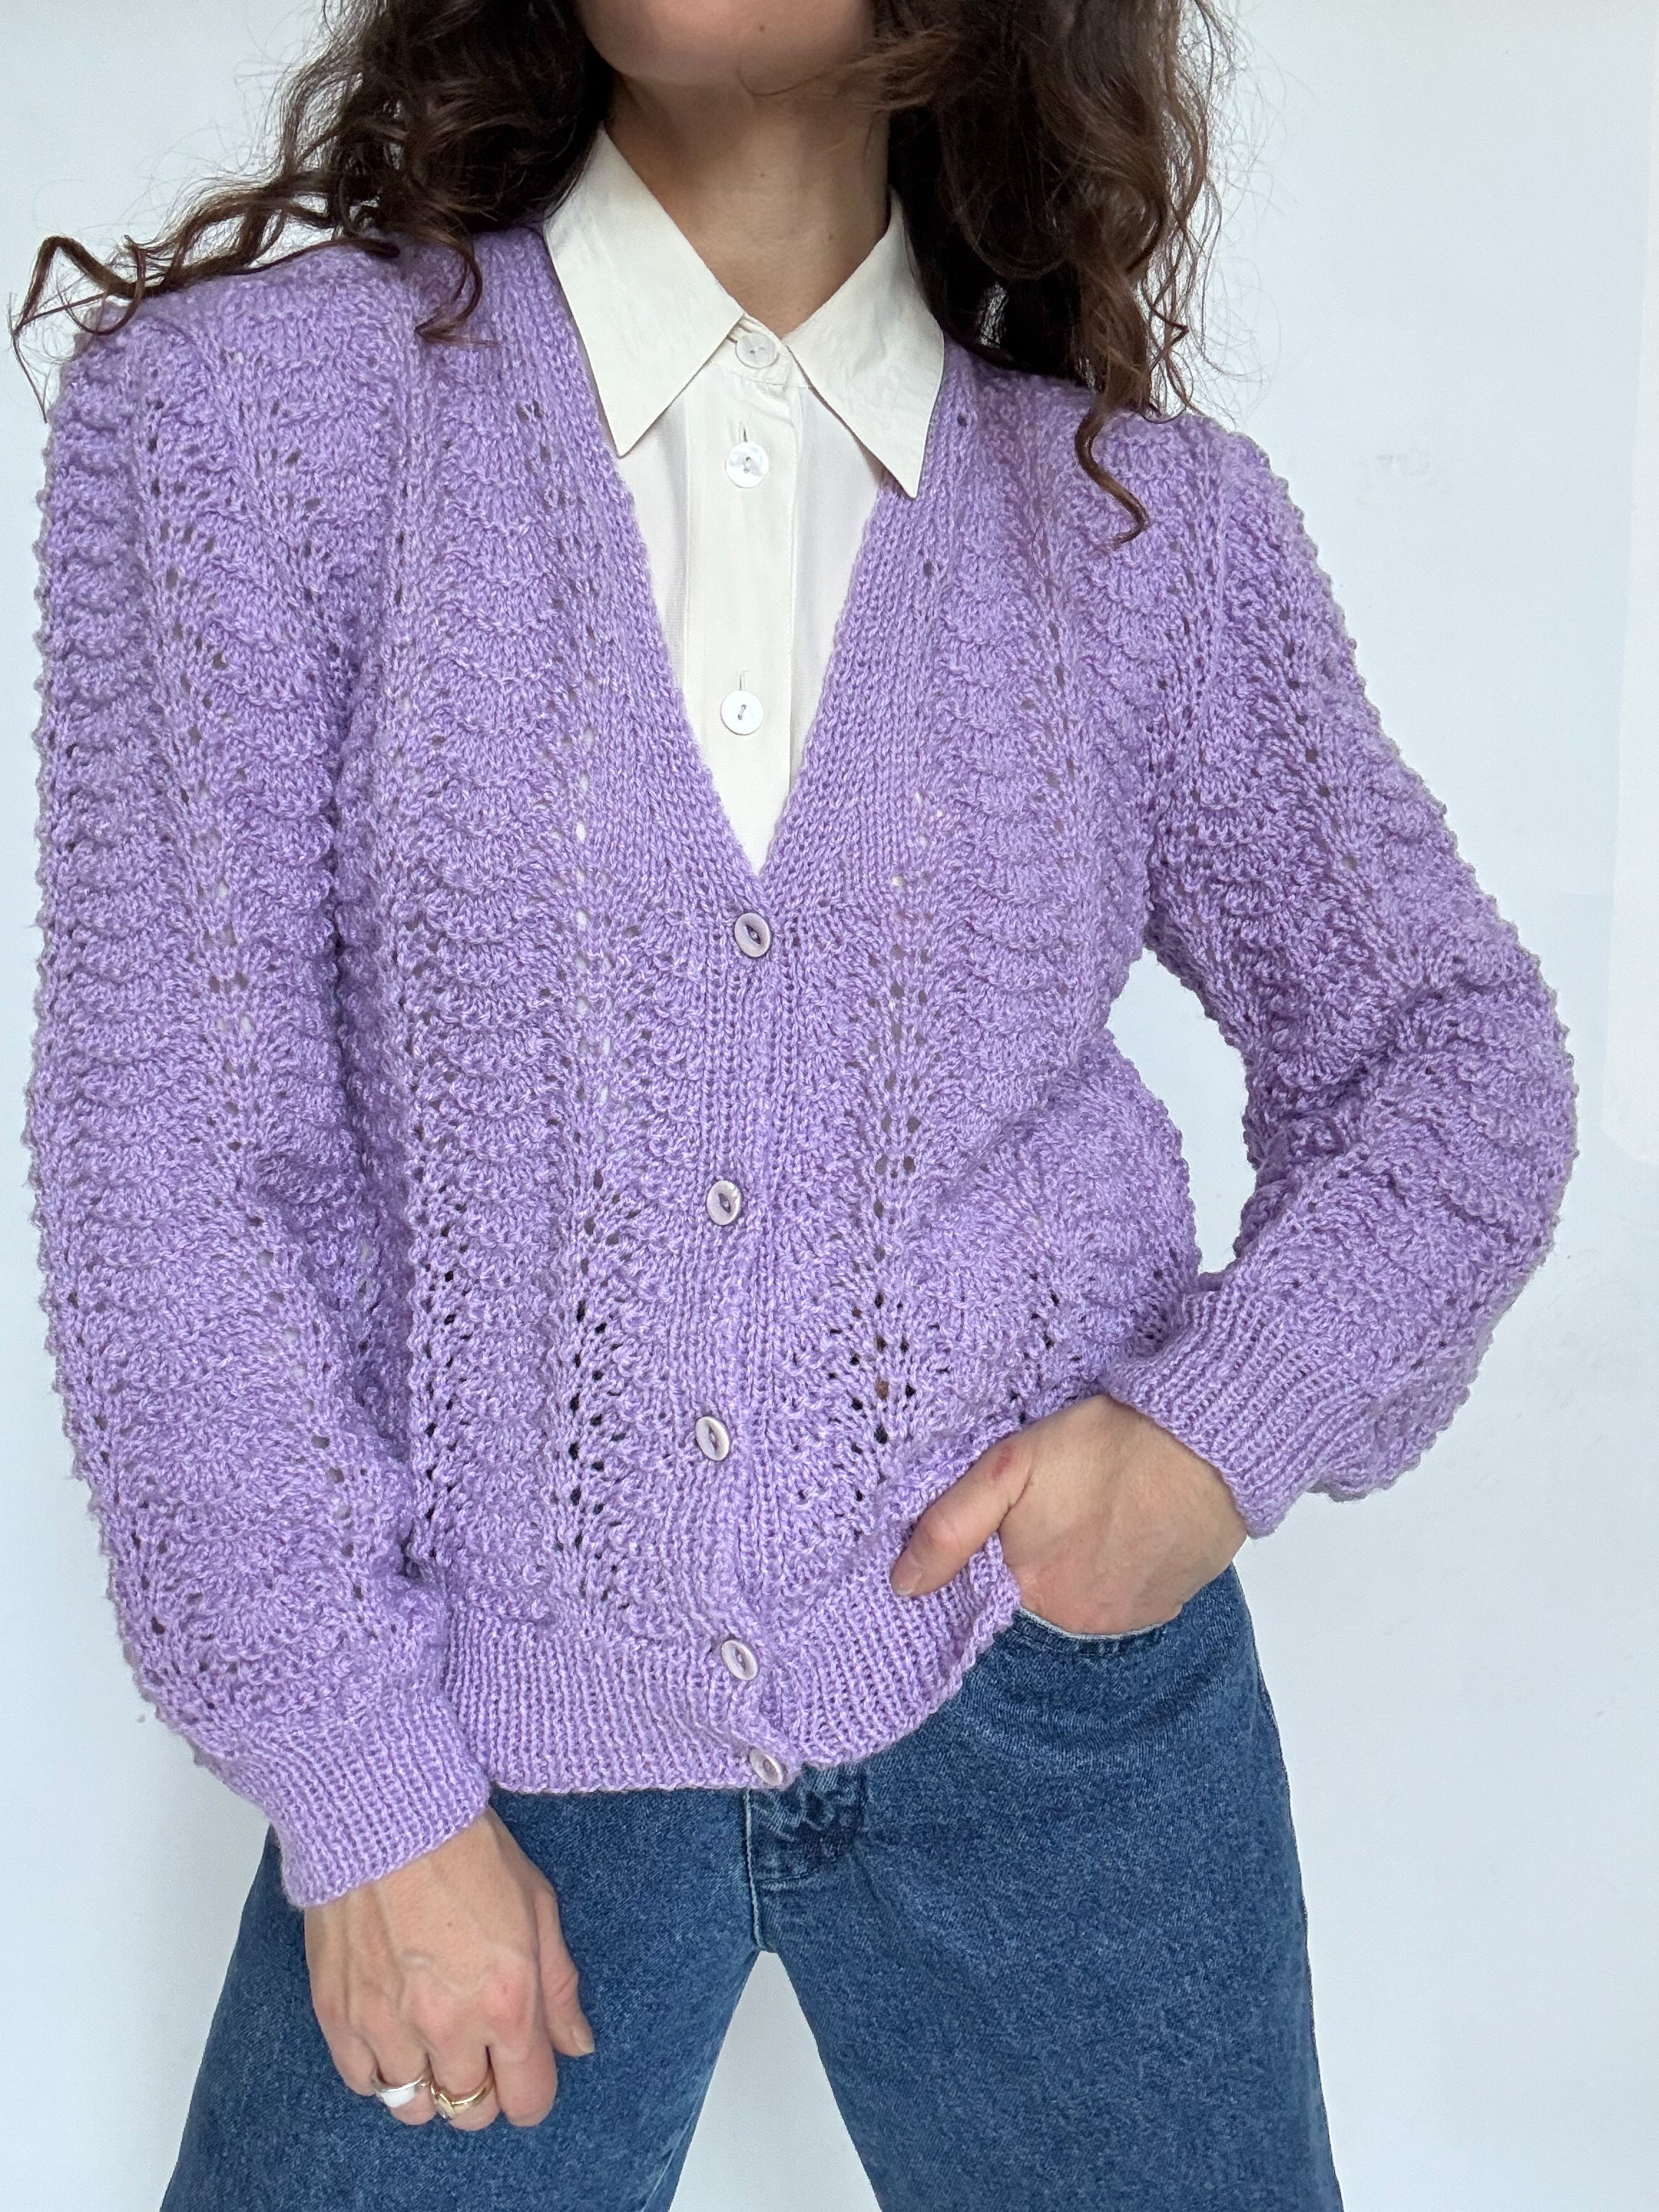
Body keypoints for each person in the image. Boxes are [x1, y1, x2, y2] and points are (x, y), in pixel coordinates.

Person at [14, 3, 1578, 2207]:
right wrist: (361, 1797)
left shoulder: (1141, 534)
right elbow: (173, 1161)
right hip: (465, 1744)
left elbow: (1450, 1054)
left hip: (1045, 1712)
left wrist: (1216, 1432)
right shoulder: (256, 426)